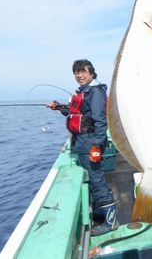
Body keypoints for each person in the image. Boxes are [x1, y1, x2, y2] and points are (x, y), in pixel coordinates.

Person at [48, 59, 118, 236]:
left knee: (96, 179)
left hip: (89, 143)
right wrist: (58, 107)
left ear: (91, 73)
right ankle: (101, 211)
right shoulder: (85, 92)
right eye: (76, 72)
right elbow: (76, 113)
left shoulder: (95, 92)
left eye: (82, 71)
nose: (79, 75)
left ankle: (111, 221)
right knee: (95, 178)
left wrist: (96, 146)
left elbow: (100, 121)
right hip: (82, 143)